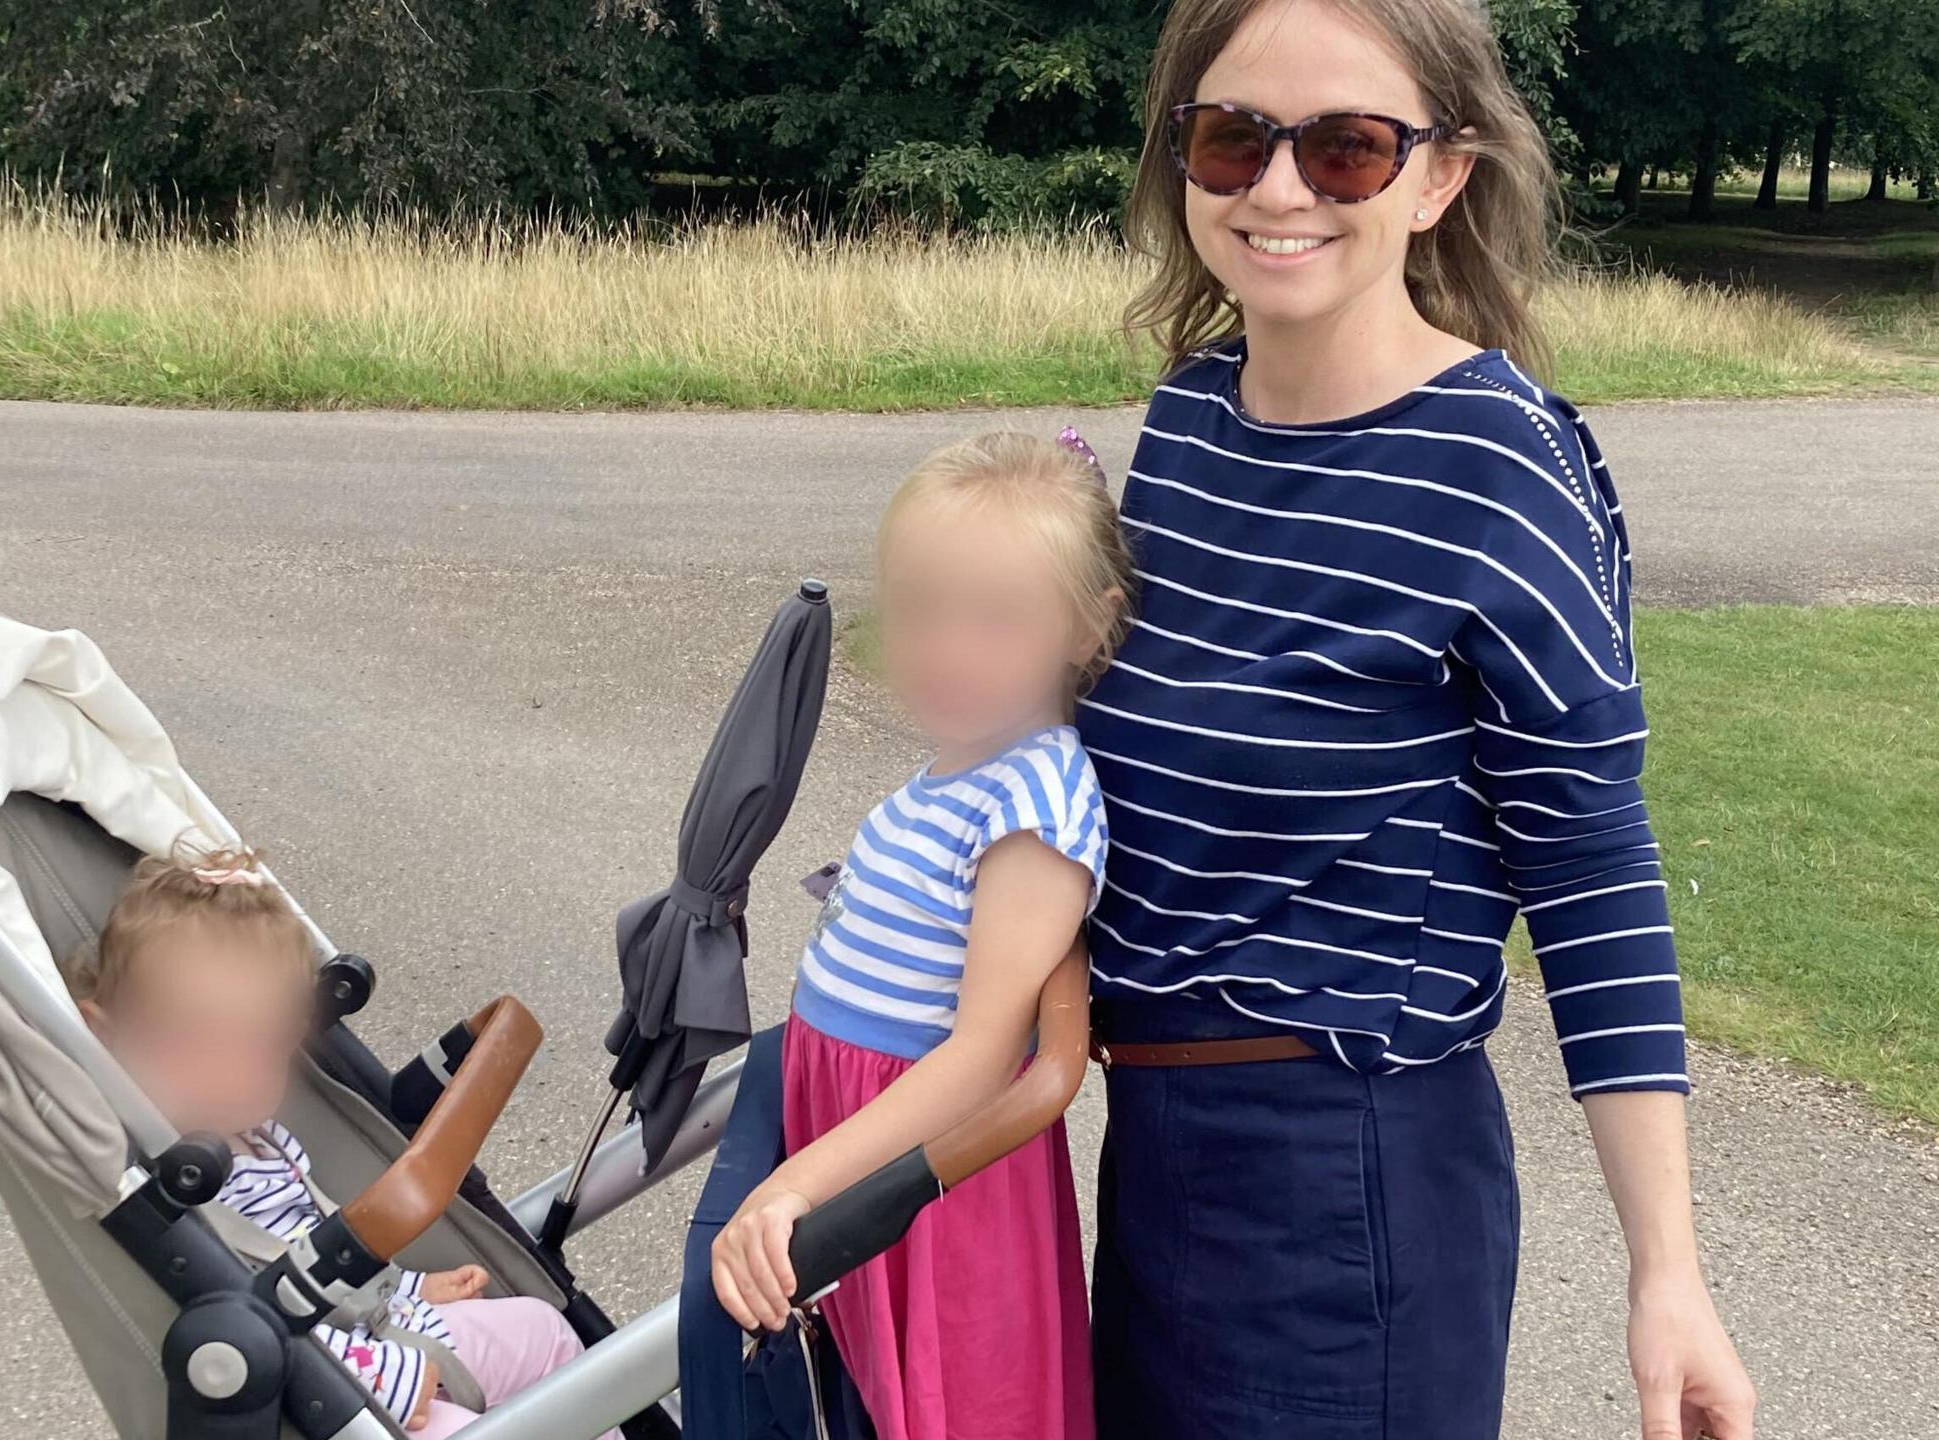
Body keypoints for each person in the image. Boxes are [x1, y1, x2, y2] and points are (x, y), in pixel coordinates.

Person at [1079, 3, 1760, 1439]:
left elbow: (1589, 865)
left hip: (1349, 1183)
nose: (1276, 189)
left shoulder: (1497, 461)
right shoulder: (1191, 425)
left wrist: (1670, 1271)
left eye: (1344, 149)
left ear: (1440, 177)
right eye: (1229, 137)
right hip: (1149, 1149)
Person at [710, 430, 1131, 1440]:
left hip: (932, 1187)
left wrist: (794, 1185)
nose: (949, 650)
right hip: (856, 1134)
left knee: (941, 1410)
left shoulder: (1032, 799)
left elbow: (986, 1051)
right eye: (921, 614)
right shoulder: (952, 774)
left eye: (996, 622)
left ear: (1086, 630)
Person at [68, 845, 614, 1438]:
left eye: (258, 1046)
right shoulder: (168, 1183)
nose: (229, 1075)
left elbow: (318, 1244)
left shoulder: (264, 1142)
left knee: (545, 1330)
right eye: (195, 1042)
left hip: (383, 1324)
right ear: (104, 1033)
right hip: (324, 1375)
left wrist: (406, 1285)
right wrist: (391, 1376)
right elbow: (235, 1303)